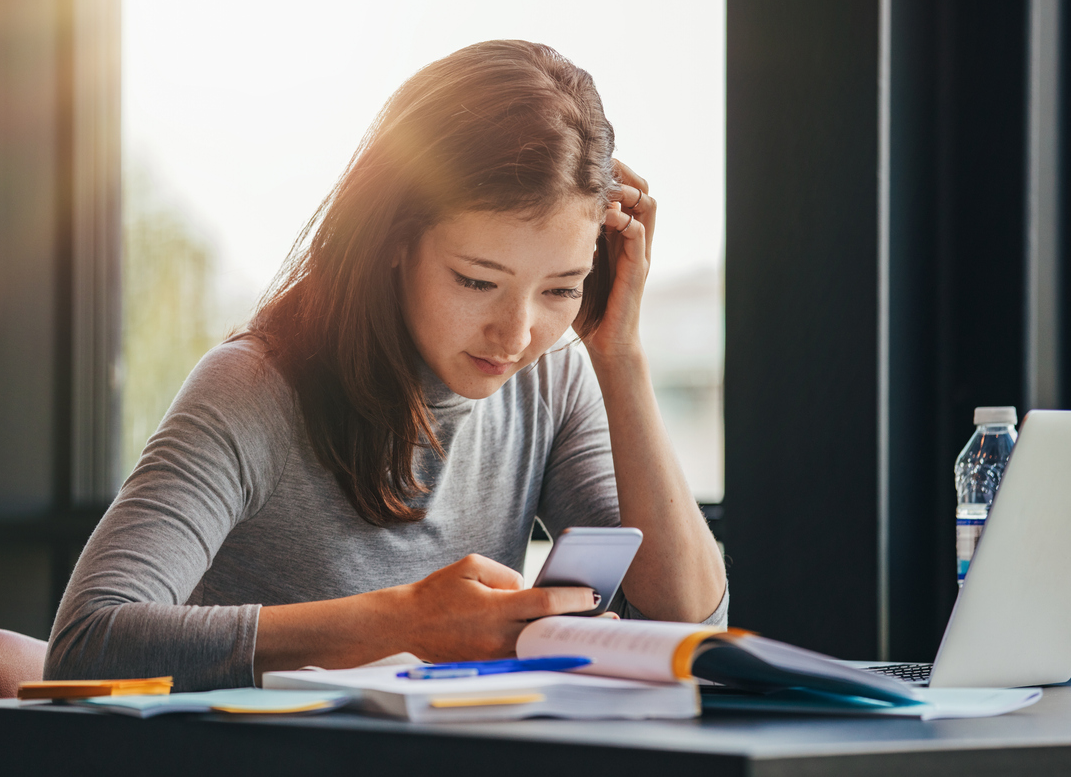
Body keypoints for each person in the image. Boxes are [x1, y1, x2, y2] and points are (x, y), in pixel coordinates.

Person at [46, 40, 728, 692]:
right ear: (395, 239)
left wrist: (622, 356)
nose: (517, 334)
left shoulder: (551, 380)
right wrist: (402, 624)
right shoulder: (253, 388)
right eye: (476, 281)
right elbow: (86, 642)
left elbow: (692, 624)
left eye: (560, 289)